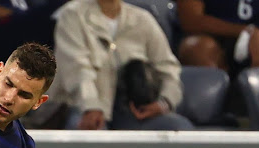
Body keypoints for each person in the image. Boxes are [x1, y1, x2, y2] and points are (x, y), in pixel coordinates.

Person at [53, 0, 194, 130]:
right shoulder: (72, 14)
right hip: (82, 106)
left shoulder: (143, 19)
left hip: (131, 109)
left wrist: (164, 103)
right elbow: (77, 68)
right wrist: (91, 106)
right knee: (87, 136)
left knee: (180, 127)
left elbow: (169, 68)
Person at [177, 0, 259, 74]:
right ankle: (211, 112)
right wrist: (246, 32)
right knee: (196, 49)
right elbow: (190, 20)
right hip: (218, 37)